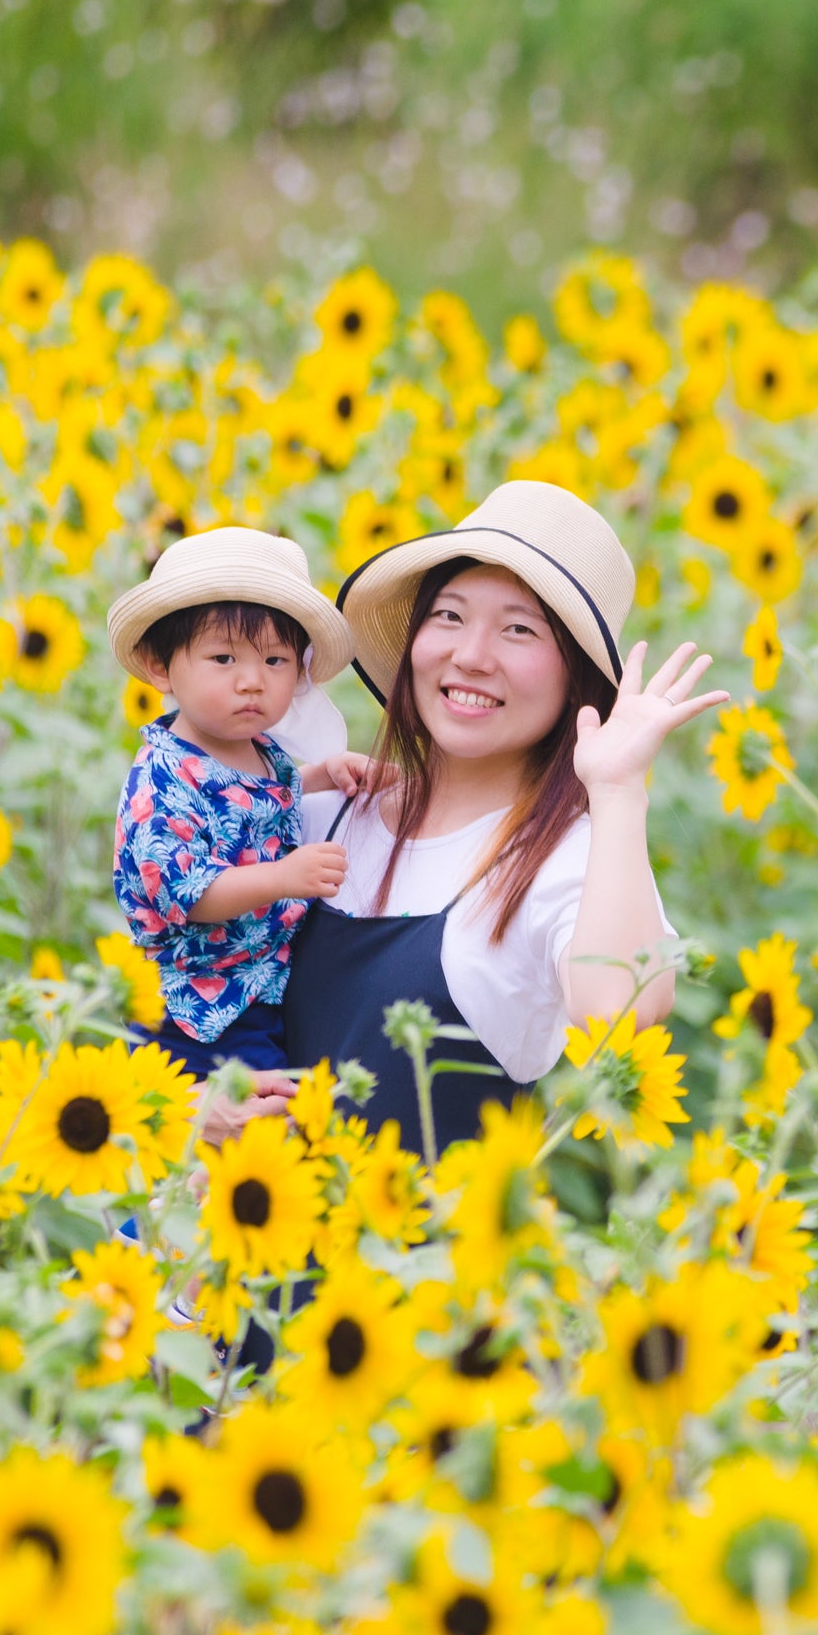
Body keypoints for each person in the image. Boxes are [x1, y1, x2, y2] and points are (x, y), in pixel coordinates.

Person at [200, 480, 729, 1156]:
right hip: (214, 1242)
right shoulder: (323, 810)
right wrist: (194, 1106)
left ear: (576, 678)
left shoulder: (570, 860)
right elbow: (175, 966)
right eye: (448, 615)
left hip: (416, 1260)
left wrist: (620, 791)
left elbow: (619, 1017)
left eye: (519, 628)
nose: (471, 655)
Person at [100, 526, 358, 1085]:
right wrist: (283, 876)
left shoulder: (256, 751)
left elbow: (261, 801)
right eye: (223, 658)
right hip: (198, 1008)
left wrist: (322, 775)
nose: (252, 682)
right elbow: (192, 894)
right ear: (160, 666)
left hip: (254, 988)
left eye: (275, 660)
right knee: (241, 1132)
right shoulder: (162, 781)